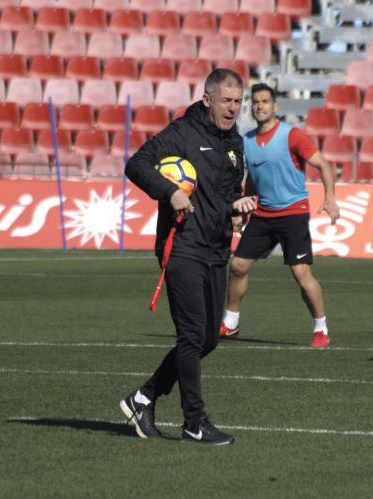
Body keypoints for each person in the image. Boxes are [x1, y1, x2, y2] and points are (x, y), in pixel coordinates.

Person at [121, 69, 256, 445]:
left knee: (208, 339)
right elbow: (136, 165)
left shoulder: (236, 144)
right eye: (227, 101)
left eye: (238, 102)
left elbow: (225, 197)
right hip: (182, 246)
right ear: (208, 99)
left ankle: (143, 397)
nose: (233, 109)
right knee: (193, 335)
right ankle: (194, 422)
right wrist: (169, 191)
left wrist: (237, 208)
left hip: (215, 247)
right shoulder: (182, 132)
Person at [219, 83, 340, 348]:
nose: (260, 106)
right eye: (256, 102)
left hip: (292, 213)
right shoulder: (247, 141)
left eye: (265, 102)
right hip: (262, 214)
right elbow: (253, 178)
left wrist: (330, 198)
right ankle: (230, 323)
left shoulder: (292, 135)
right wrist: (244, 208)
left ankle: (321, 328)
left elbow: (323, 165)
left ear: (275, 107)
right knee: (237, 266)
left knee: (300, 273)